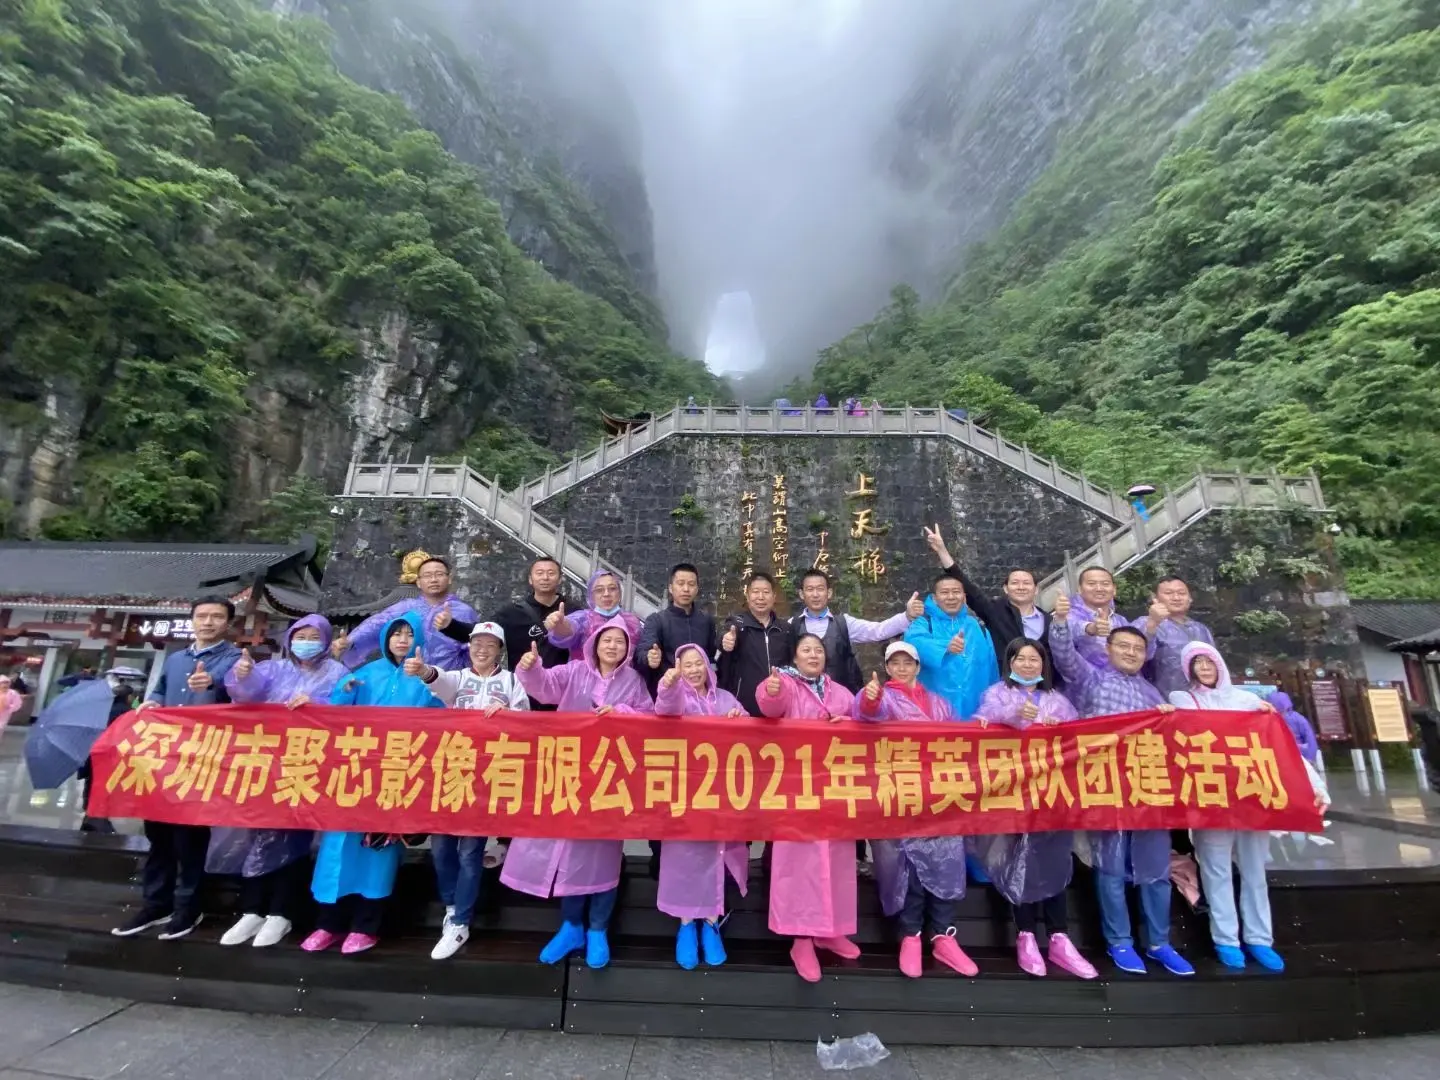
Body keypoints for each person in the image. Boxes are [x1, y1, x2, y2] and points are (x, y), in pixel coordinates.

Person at [1049, 594, 1192, 977]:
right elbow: (1064, 655)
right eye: (1123, 646)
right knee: (1110, 867)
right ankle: (1120, 942)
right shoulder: (1090, 678)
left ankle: (1159, 943)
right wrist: (1060, 621)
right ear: (1108, 649)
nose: (1130, 653)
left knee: (1155, 869)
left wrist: (1168, 718)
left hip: (1148, 788)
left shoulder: (1152, 694)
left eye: (1137, 648)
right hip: (1106, 785)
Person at [507, 617, 654, 969]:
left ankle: (598, 929)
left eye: (620, 641)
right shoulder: (574, 671)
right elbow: (543, 688)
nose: (613, 646)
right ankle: (571, 926)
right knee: (568, 852)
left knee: (604, 855)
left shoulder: (634, 681)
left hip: (610, 780)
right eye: (607, 640)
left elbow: (650, 717)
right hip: (571, 775)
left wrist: (622, 713)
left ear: (628, 648)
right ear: (594, 644)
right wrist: (530, 668)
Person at [302, 613, 442, 955]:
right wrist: (342, 695)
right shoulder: (364, 674)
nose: (402, 640)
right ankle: (328, 924)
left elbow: (442, 722)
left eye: (409, 634)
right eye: (396, 634)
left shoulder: (428, 678)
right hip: (355, 774)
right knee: (338, 848)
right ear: (385, 639)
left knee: (379, 849)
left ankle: (366, 927)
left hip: (396, 776)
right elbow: (334, 717)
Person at [111, 596, 242, 941]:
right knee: (158, 835)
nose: (208, 622)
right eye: (202, 616)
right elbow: (159, 691)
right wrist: (152, 703)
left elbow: (244, 698)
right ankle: (156, 904)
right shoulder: (175, 659)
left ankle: (188, 907)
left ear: (229, 623)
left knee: (189, 838)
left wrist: (215, 686)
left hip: (202, 758)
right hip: (165, 758)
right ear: (192, 620)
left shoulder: (236, 660)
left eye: (217, 616)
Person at [213, 615, 347, 949]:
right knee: (258, 836)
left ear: (326, 640)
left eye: (314, 637)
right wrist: (242, 675)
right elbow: (245, 695)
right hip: (266, 764)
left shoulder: (338, 673)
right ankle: (252, 910)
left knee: (295, 838)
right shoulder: (273, 669)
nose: (306, 642)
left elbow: (347, 712)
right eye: (301, 635)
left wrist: (318, 706)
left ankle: (281, 912)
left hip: (309, 766)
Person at [854, 641, 979, 978]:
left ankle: (943, 936)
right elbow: (867, 713)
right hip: (902, 796)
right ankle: (910, 936)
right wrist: (870, 698)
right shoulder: (885, 698)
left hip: (939, 796)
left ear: (918, 666)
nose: (901, 668)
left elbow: (957, 743)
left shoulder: (940, 703)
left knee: (946, 865)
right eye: (894, 663)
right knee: (908, 870)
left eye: (907, 662)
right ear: (887, 667)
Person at [973, 640, 1096, 980]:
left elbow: (1077, 740)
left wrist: (1059, 729)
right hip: (1013, 794)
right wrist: (1012, 717)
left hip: (1051, 795)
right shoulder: (997, 694)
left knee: (1054, 860)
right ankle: (1025, 934)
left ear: (1044, 664)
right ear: (1010, 662)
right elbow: (983, 723)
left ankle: (1059, 937)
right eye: (1021, 658)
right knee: (1019, 862)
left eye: (1034, 659)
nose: (1028, 664)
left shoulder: (1058, 700)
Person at [1170, 641, 1294, 973]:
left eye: (1208, 662)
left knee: (1255, 871)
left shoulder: (1247, 701)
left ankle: (1260, 938)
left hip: (1251, 795)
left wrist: (1314, 789)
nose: (1204, 668)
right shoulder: (1182, 699)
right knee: (1216, 871)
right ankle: (1226, 939)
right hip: (1210, 796)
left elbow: (1277, 745)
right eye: (1196, 663)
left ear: (1219, 664)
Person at [409, 620, 529, 959]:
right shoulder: (459, 678)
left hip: (486, 778)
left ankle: (461, 921)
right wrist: (423, 670)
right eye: (477, 643)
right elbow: (438, 681)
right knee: (441, 848)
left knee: (470, 852)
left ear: (500, 651)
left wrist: (508, 714)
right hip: (453, 773)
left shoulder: (511, 681)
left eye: (490, 645)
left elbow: (527, 721)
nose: (482, 650)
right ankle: (452, 906)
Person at [754, 634, 861, 982]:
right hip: (796, 790)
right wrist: (771, 690)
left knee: (837, 861)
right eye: (806, 650)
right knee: (800, 866)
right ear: (795, 657)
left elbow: (861, 721)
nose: (813, 655)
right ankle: (801, 939)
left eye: (818, 650)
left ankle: (830, 930)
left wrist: (851, 722)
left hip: (834, 789)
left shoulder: (840, 692)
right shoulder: (786, 684)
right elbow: (770, 706)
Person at [653, 644, 749, 969]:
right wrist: (668, 685)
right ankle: (685, 926)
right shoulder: (677, 695)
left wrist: (738, 719)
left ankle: (710, 924)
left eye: (698, 664)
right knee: (684, 857)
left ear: (708, 666)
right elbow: (664, 709)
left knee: (716, 856)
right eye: (687, 665)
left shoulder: (725, 698)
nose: (694, 670)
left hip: (722, 794)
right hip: (684, 794)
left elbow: (748, 731)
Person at [924, 524, 1053, 678]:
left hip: (1041, 685)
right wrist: (942, 550)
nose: (1020, 587)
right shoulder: (995, 611)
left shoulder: (1049, 620)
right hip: (1005, 685)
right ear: (1005, 588)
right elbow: (969, 589)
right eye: (1014, 583)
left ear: (1036, 589)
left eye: (1026, 583)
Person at [442, 557, 571, 707]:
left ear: (560, 578)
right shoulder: (512, 613)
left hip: (563, 693)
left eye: (551, 573)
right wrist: (449, 625)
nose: (545, 577)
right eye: (539, 573)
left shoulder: (573, 611)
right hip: (522, 692)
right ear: (530, 579)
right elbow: (481, 633)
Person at [333, 556, 477, 671]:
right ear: (418, 582)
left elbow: (474, 646)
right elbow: (376, 623)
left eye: (439, 574)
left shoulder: (463, 611)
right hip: (409, 676)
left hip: (449, 678)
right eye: (427, 575)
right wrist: (351, 640)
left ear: (449, 579)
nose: (433, 579)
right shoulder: (406, 607)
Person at [790, 568, 923, 692]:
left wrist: (907, 616)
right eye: (810, 589)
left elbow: (878, 631)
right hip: (801, 699)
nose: (815, 594)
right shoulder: (791, 625)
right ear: (802, 594)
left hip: (841, 699)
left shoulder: (843, 623)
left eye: (820, 589)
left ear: (829, 593)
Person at [903, 573, 998, 718]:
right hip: (934, 714)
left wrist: (992, 708)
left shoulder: (979, 627)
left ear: (964, 597)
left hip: (975, 715)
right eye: (944, 592)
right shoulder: (924, 622)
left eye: (956, 592)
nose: (951, 597)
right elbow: (914, 643)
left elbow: (992, 671)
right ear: (935, 598)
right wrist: (945, 647)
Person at [636, 563, 719, 696]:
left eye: (691, 584)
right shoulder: (657, 620)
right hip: (670, 694)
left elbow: (710, 656)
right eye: (680, 583)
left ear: (697, 589)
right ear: (670, 587)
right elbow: (642, 651)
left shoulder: (706, 621)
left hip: (700, 696)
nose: (686, 589)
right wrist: (648, 657)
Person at [718, 572, 794, 717]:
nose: (760, 597)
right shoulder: (737, 624)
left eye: (766, 592)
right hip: (743, 709)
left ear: (774, 597)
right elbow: (724, 635)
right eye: (755, 592)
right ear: (747, 596)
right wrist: (725, 641)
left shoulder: (786, 629)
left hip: (778, 708)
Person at [1062, 566, 1155, 672]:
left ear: (1114, 589)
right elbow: (1065, 632)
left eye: (1105, 584)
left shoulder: (1121, 621)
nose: (1099, 588)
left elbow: (1144, 655)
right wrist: (1090, 629)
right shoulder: (1068, 616)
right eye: (1091, 584)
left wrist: (1152, 626)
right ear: (1079, 589)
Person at [546, 570, 643, 659]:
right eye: (599, 590)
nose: (606, 594)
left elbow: (640, 655)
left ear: (620, 593)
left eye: (612, 588)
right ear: (591, 595)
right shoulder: (584, 619)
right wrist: (561, 627)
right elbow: (570, 628)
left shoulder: (631, 622)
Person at [1145, 576, 1215, 698]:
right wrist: (1152, 624)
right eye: (1168, 593)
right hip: (1162, 702)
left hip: (1202, 700)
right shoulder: (1145, 623)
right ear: (1154, 598)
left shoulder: (1201, 629)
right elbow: (1138, 656)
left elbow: (1215, 664)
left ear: (1190, 598)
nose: (1176, 598)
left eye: (1181, 593)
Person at [1269, 690, 1319, 764]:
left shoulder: (1297, 718)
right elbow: (1310, 738)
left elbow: (1310, 739)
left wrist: (1309, 757)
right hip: (1287, 756)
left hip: (1297, 756)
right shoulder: (1298, 718)